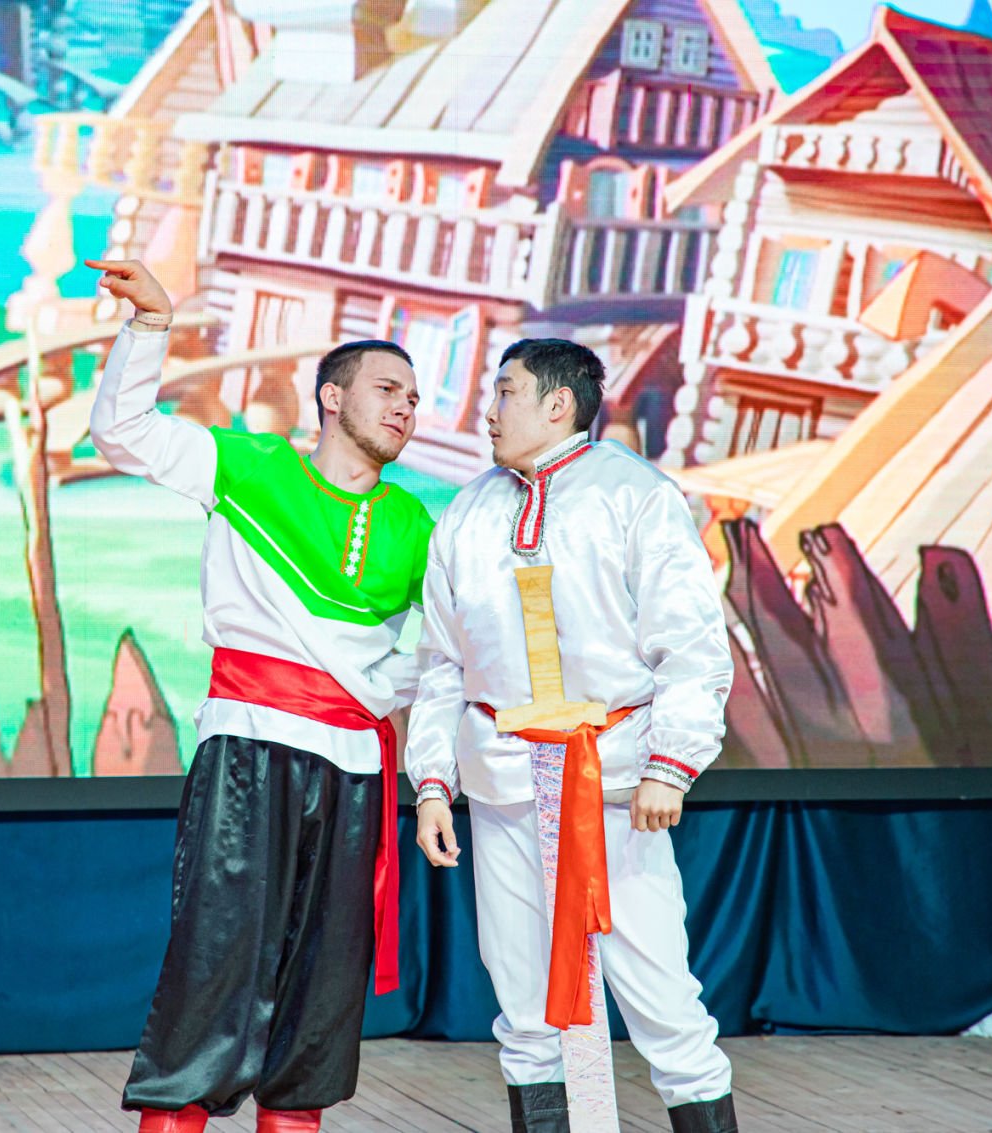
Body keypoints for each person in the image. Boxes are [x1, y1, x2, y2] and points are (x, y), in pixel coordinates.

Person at [85, 258, 435, 1133]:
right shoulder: (249, 466)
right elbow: (122, 433)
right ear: (330, 397)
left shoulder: (417, 524)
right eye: (387, 388)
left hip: (355, 767)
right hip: (250, 745)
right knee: (216, 971)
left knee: (321, 995)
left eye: (414, 397)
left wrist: (379, 692)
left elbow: (454, 647)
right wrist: (151, 324)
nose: (404, 406)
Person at [405, 339, 740, 1133]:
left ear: (559, 404)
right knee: (523, 1007)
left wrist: (671, 763)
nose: (488, 412)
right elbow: (441, 663)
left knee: (663, 1000)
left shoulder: (636, 495)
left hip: (615, 783)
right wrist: (432, 783)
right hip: (503, 785)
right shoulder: (467, 512)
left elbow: (692, 645)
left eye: (505, 393)